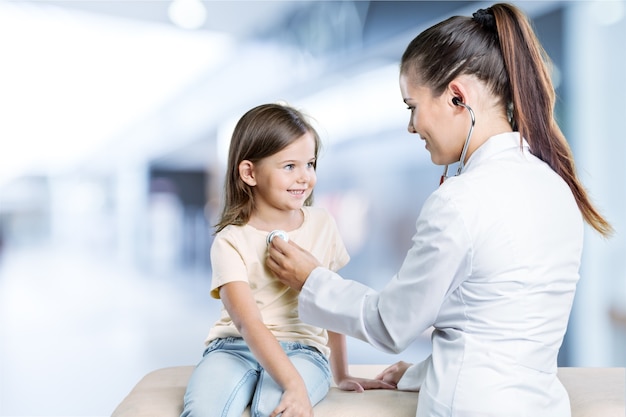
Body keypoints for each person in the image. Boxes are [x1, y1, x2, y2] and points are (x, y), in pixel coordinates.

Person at [266, 4, 613, 417]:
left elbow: (392, 324)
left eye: (411, 106)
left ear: (457, 96)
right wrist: (418, 374)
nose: (411, 126)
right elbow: (500, 332)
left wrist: (311, 280)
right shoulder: (556, 188)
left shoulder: (461, 201)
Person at [180, 103, 392, 417]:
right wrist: (293, 383)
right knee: (201, 411)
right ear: (249, 172)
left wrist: (341, 373)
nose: (305, 177)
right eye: (289, 166)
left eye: (310, 163)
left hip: (304, 352)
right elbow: (248, 323)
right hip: (234, 347)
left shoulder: (323, 224)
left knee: (274, 410)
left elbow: (332, 301)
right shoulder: (230, 240)